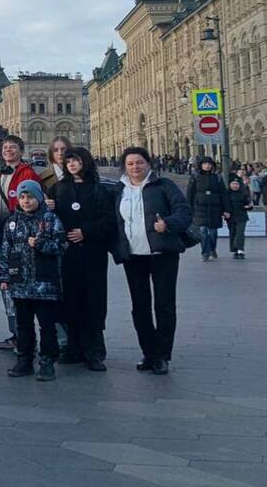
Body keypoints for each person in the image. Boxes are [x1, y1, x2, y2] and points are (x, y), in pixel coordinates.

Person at [116, 146, 191, 375]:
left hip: (163, 254)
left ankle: (162, 356)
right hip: (134, 256)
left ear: (148, 163)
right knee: (139, 307)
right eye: (130, 164)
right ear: (125, 166)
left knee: (164, 305)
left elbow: (184, 211)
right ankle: (149, 352)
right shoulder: (119, 189)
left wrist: (168, 223)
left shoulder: (164, 185)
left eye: (139, 162)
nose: (135, 167)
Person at [50, 147, 115, 370]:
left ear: (85, 162)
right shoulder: (58, 189)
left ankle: (94, 351)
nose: (72, 165)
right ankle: (73, 348)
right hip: (67, 254)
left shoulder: (100, 189)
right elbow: (49, 218)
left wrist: (86, 232)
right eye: (68, 162)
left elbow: (109, 220)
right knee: (70, 300)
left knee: (93, 300)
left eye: (76, 161)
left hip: (92, 252)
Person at [0, 181, 65, 381]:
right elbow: (5, 251)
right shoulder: (11, 222)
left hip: (44, 284)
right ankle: (24, 359)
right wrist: (5, 276)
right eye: (22, 197)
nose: (26, 201)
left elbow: (61, 246)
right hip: (20, 284)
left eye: (30, 197)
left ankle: (47, 361)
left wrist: (42, 244)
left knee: (46, 325)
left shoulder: (50, 219)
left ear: (39, 197)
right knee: (23, 325)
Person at [0, 136, 39, 351]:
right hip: (0, 238)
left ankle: (26, 336)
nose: (8, 150)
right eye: (5, 147)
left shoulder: (28, 173)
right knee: (6, 286)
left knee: (23, 286)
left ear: (21, 150)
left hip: (20, 239)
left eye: (13, 147)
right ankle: (15, 333)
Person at [187, 156, 228, 261]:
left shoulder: (217, 177)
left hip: (215, 207)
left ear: (212, 165)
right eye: (205, 164)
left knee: (213, 232)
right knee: (203, 231)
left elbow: (223, 194)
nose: (207, 166)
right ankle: (205, 253)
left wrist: (226, 209)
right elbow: (190, 193)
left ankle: (212, 248)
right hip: (200, 207)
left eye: (209, 164)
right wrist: (189, 208)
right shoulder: (195, 177)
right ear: (201, 165)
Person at [227, 175, 251, 259]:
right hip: (231, 217)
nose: (235, 186)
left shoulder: (243, 193)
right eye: (233, 184)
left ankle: (240, 249)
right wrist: (224, 212)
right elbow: (224, 205)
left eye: (237, 184)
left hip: (242, 216)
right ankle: (235, 250)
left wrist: (248, 207)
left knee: (240, 233)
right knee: (233, 233)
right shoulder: (227, 194)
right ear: (230, 185)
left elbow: (248, 203)